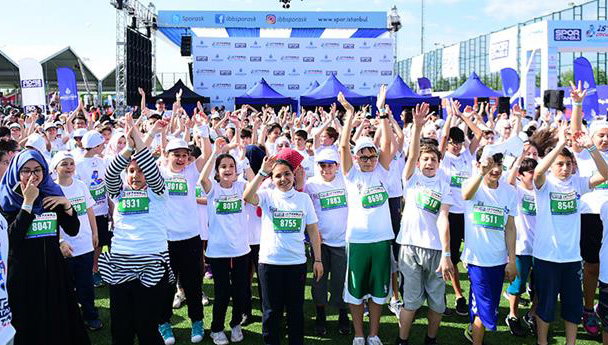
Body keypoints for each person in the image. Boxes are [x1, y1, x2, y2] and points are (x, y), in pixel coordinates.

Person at [0, 149, 89, 345]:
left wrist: (66, 205)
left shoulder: (51, 194)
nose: (32, 176)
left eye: (37, 170)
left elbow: (73, 230)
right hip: (22, 277)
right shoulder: (6, 201)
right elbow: (11, 238)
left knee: (57, 325)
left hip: (53, 272)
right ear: (16, 172)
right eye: (26, 170)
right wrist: (28, 203)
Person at [532, 121, 608, 345]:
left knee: (573, 305)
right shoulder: (544, 186)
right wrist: (561, 144)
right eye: (560, 164)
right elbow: (537, 171)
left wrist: (591, 148)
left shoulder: (577, 183)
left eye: (568, 164)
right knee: (546, 305)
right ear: (552, 166)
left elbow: (604, 174)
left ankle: (571, 343)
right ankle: (542, 341)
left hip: (572, 258)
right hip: (546, 257)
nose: (564, 169)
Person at [99, 125, 171, 345]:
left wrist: (139, 141)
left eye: (140, 171)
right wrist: (128, 148)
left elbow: (150, 167)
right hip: (121, 263)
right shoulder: (118, 192)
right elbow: (110, 173)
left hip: (152, 264)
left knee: (146, 327)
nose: (136, 175)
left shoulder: (158, 191)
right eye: (131, 171)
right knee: (121, 328)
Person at [243, 155, 323, 345]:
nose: (283, 179)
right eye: (278, 176)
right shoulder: (267, 196)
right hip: (270, 264)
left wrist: (318, 260)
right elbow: (247, 196)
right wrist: (262, 172)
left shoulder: (303, 199)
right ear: (272, 179)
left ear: (294, 175)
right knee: (271, 311)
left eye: (287, 174)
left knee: (295, 310)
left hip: (296, 264)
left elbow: (313, 230)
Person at [338, 86, 394, 345]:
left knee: (378, 294)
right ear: (356, 157)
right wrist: (349, 114)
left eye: (372, 154)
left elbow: (387, 143)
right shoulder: (351, 175)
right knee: (355, 293)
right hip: (358, 241)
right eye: (363, 155)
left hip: (382, 241)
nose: (369, 159)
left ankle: (373, 334)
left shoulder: (382, 171)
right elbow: (342, 146)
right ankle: (359, 335)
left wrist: (382, 110)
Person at [395, 103, 454, 345]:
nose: (429, 163)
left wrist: (446, 253)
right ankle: (403, 340)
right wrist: (417, 127)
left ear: (439, 163)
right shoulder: (411, 179)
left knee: (437, 302)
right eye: (425, 159)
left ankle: (431, 339)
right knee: (410, 301)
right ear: (419, 162)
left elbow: (443, 217)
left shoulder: (444, 184)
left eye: (433, 159)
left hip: (436, 251)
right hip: (409, 247)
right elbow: (410, 155)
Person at [461, 148, 517, 345]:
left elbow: (510, 227)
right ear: (480, 165)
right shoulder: (472, 184)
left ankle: (473, 328)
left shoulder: (510, 192)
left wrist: (512, 260)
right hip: (476, 259)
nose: (496, 170)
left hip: (498, 259)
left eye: (499, 165)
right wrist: (481, 172)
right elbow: (466, 195)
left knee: (489, 305)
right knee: (482, 307)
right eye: (491, 165)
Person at [158, 135, 210, 345]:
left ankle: (197, 321)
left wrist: (204, 132)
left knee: (193, 283)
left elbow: (206, 154)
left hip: (190, 237)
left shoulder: (190, 172)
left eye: (184, 155)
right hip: (165, 239)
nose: (180, 159)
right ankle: (163, 322)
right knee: (166, 285)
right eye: (176, 155)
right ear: (166, 155)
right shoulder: (158, 173)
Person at [201, 151, 252, 344]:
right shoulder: (212, 189)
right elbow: (202, 178)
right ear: (217, 171)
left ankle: (236, 324)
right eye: (223, 166)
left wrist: (246, 165)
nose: (228, 169)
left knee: (240, 291)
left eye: (231, 166)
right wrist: (214, 153)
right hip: (218, 251)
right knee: (222, 292)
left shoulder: (242, 187)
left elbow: (256, 184)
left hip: (241, 250)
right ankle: (216, 328)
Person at [52, 151, 103, 331]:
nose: (69, 167)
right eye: (64, 163)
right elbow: (51, 219)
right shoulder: (51, 189)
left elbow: (89, 210)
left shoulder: (80, 185)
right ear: (55, 168)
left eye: (71, 163)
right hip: (65, 247)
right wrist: (58, 241)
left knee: (86, 285)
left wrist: (95, 232)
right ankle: (69, 319)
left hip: (84, 244)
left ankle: (91, 315)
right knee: (66, 287)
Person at [305, 148, 350, 336]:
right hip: (320, 244)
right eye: (322, 165)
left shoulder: (346, 181)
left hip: (341, 242)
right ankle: (321, 315)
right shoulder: (310, 184)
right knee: (318, 281)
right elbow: (305, 212)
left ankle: (342, 314)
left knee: (341, 281)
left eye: (330, 165)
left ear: (337, 166)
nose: (326, 169)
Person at [504, 156, 538, 336]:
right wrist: (518, 160)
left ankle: (531, 314)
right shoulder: (517, 192)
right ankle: (512, 316)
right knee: (518, 285)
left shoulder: (541, 190)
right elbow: (509, 181)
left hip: (541, 248)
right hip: (522, 246)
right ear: (521, 175)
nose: (534, 175)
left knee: (542, 286)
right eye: (530, 172)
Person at [75, 130, 110, 288]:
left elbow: (106, 183)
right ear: (95, 146)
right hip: (88, 211)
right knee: (87, 241)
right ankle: (85, 271)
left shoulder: (101, 161)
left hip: (101, 208)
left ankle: (95, 269)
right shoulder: (78, 163)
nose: (103, 147)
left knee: (99, 242)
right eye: (101, 144)